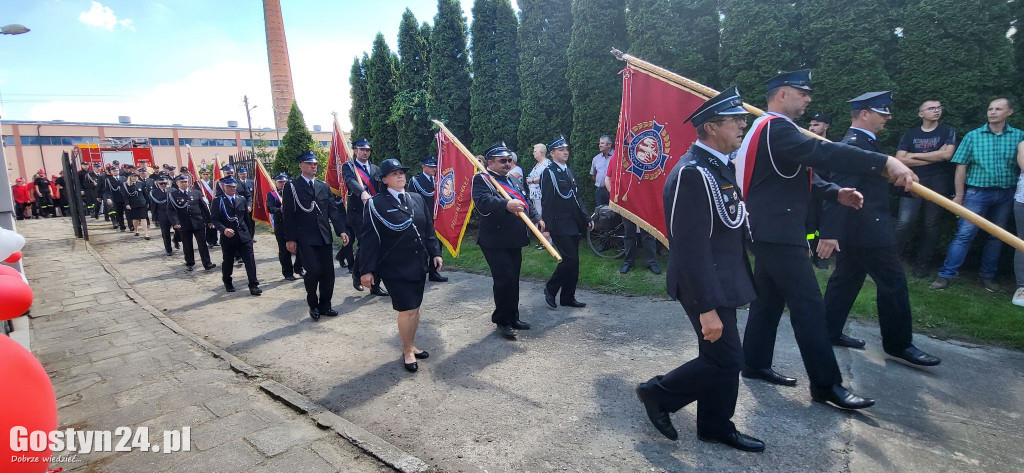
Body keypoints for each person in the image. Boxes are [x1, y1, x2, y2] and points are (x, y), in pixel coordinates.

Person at [738, 69, 917, 411]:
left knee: (768, 301)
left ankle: (754, 362)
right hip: (777, 235)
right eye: (802, 93)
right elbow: (826, 155)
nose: (808, 99)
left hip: (768, 231)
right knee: (810, 309)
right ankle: (826, 385)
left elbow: (802, 175)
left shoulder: (774, 129)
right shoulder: (776, 129)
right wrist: (884, 161)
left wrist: (836, 194)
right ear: (781, 94)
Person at [637, 86, 765, 452]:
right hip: (702, 285)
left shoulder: (718, 166)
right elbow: (689, 247)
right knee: (728, 360)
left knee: (719, 358)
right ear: (711, 127)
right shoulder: (693, 173)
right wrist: (707, 307)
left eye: (743, 119)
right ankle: (657, 393)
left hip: (724, 280)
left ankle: (714, 425)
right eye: (736, 120)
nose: (743, 124)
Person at [818, 91, 941, 366]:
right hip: (867, 231)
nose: (888, 117)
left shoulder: (865, 144)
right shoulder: (854, 146)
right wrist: (830, 232)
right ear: (864, 114)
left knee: (845, 281)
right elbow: (840, 190)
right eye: (882, 112)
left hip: (862, 228)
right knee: (893, 284)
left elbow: (871, 187)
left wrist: (908, 191)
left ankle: (827, 331)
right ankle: (899, 345)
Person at [931, 97, 1024, 292]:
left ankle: (987, 276)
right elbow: (961, 166)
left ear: (1010, 112)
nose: (993, 112)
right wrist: (959, 195)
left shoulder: (1018, 137)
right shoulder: (974, 136)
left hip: (1006, 194)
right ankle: (945, 275)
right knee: (965, 233)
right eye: (990, 108)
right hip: (977, 193)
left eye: (998, 109)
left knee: (997, 236)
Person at [358, 158, 442, 372]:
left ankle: (411, 344)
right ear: (384, 179)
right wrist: (366, 270)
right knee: (407, 309)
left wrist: (435, 252)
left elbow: (428, 229)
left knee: (415, 308)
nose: (400, 176)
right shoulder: (376, 204)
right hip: (394, 266)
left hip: (418, 263)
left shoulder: (416, 198)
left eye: (402, 172)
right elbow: (369, 238)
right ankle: (406, 351)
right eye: (394, 174)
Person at [473, 143, 545, 340]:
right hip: (494, 240)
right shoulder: (482, 180)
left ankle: (513, 317)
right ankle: (502, 321)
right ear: (490, 162)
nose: (508, 163)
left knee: (513, 278)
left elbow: (526, 200)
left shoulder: (512, 180)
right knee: (504, 279)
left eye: (509, 160)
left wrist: (537, 217)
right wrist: (506, 204)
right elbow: (483, 202)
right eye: (502, 161)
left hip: (514, 238)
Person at [894, 100, 957, 278]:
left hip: (938, 181)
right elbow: (900, 159)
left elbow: (947, 155)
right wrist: (934, 156)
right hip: (912, 180)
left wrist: (913, 155)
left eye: (938, 107)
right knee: (904, 222)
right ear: (921, 114)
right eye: (931, 108)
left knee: (931, 224)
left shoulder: (947, 131)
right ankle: (892, 259)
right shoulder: (910, 134)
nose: (936, 110)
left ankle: (922, 265)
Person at [284, 152, 349, 319]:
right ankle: (313, 304)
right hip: (305, 237)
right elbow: (288, 215)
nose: (313, 166)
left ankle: (325, 305)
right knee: (312, 272)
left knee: (328, 273)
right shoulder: (292, 187)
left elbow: (332, 210)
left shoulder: (323, 186)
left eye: (315, 164)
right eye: (309, 163)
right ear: (301, 165)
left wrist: (341, 230)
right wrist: (290, 238)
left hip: (324, 236)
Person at [541, 135, 593, 309]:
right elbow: (546, 201)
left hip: (572, 222)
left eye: (566, 149)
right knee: (569, 259)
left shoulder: (568, 171)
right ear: (552, 153)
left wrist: (586, 218)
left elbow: (576, 198)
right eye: (561, 150)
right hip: (558, 223)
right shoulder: (549, 173)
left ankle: (568, 297)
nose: (565, 152)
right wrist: (546, 227)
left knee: (575, 262)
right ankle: (550, 288)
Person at [342, 138, 387, 296]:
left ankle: (375, 284)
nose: (365, 152)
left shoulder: (375, 168)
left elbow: (382, 187)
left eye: (367, 150)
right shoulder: (349, 167)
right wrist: (362, 192)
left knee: (379, 245)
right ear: (355, 151)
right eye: (362, 149)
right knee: (366, 245)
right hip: (358, 213)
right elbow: (350, 181)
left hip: (375, 211)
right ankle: (357, 275)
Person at [212, 177, 261, 296]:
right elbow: (215, 219)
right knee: (228, 261)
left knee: (250, 261)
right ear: (223, 187)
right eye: (229, 186)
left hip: (243, 235)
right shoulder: (218, 201)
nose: (233, 188)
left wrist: (250, 235)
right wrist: (223, 230)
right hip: (228, 237)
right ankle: (227, 281)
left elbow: (246, 218)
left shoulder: (241, 199)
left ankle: (253, 285)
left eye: (234, 186)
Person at [408, 156, 448, 282]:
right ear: (423, 167)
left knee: (437, 245)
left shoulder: (439, 180)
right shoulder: (415, 181)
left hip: (438, 218)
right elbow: (412, 200)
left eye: (435, 166)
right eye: (430, 166)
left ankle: (434, 272)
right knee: (422, 246)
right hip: (423, 218)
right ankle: (420, 270)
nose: (433, 169)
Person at [168, 175, 216, 272]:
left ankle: (207, 263)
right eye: (182, 182)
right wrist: (175, 222)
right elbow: (171, 210)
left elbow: (203, 207)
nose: (184, 184)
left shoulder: (196, 192)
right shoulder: (173, 195)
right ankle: (190, 263)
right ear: (177, 183)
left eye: (185, 182)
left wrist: (209, 221)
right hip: (184, 223)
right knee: (187, 244)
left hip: (198, 222)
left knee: (202, 244)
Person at [806, 112, 832, 270]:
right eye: (810, 125)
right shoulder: (807, 144)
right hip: (810, 191)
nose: (811, 128)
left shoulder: (832, 143)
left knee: (825, 224)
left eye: (816, 125)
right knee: (809, 226)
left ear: (826, 126)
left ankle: (822, 256)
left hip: (829, 191)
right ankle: (808, 254)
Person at [267, 172, 304, 280]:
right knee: (284, 250)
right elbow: (270, 208)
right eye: (280, 182)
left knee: (301, 247)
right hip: (281, 225)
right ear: (276, 183)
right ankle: (288, 272)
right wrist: (280, 210)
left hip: (295, 225)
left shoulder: (294, 192)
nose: (283, 184)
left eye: (285, 181)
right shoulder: (272, 194)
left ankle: (299, 268)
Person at [149, 175, 175, 255]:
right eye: (161, 184)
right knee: (165, 233)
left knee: (179, 231)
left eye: (165, 183)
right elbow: (153, 206)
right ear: (158, 183)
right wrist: (154, 218)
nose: (164, 185)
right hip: (162, 215)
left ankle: (176, 240)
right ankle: (168, 250)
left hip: (174, 215)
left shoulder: (172, 190)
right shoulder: (154, 192)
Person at [526, 143, 549, 226]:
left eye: (535, 151)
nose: (533, 153)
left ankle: (546, 237)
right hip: (534, 195)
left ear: (541, 152)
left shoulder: (546, 164)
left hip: (541, 195)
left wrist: (531, 180)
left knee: (541, 216)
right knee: (537, 215)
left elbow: (544, 177)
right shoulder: (537, 164)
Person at [121, 172, 150, 240]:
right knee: (135, 219)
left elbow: (145, 193)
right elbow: (125, 196)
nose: (134, 177)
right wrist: (127, 204)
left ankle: (146, 233)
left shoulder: (140, 183)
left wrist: (147, 202)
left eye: (135, 176)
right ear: (129, 177)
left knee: (143, 218)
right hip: (133, 204)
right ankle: (136, 230)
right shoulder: (126, 185)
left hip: (142, 203)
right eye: (132, 176)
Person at [102, 166, 127, 231]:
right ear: (111, 172)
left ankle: (131, 225)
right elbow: (107, 190)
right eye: (114, 171)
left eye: (116, 170)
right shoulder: (108, 180)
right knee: (119, 213)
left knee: (128, 212)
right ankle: (122, 225)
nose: (115, 172)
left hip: (124, 197)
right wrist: (108, 198)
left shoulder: (123, 178)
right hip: (116, 198)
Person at [591, 135, 614, 206]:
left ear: (609, 145)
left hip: (614, 192)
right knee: (601, 214)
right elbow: (593, 175)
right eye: (599, 143)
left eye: (602, 143)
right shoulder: (596, 159)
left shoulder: (617, 157)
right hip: (600, 192)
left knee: (615, 215)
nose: (600, 145)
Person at [235, 167, 256, 237]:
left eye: (244, 174)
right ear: (238, 175)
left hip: (250, 205)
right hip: (241, 207)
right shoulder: (236, 183)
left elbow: (252, 195)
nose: (243, 175)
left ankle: (251, 236)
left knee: (251, 222)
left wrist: (250, 205)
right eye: (241, 174)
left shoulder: (251, 182)